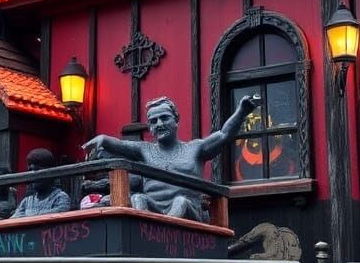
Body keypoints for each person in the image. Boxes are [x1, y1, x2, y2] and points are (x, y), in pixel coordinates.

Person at [82, 93, 261, 219]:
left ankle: (161, 236)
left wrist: (242, 111)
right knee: (138, 198)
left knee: (180, 202)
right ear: (150, 128)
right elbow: (120, 145)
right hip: (153, 213)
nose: (159, 124)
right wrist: (103, 139)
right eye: (153, 121)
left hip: (187, 216)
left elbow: (223, 135)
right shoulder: (145, 150)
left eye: (164, 118)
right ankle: (146, 236)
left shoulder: (195, 149)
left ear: (176, 120)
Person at [10, 148, 71, 217]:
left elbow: (57, 216)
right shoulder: (27, 201)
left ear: (50, 173)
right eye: (30, 171)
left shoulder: (60, 197)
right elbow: (14, 219)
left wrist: (27, 217)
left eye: (36, 170)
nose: (33, 176)